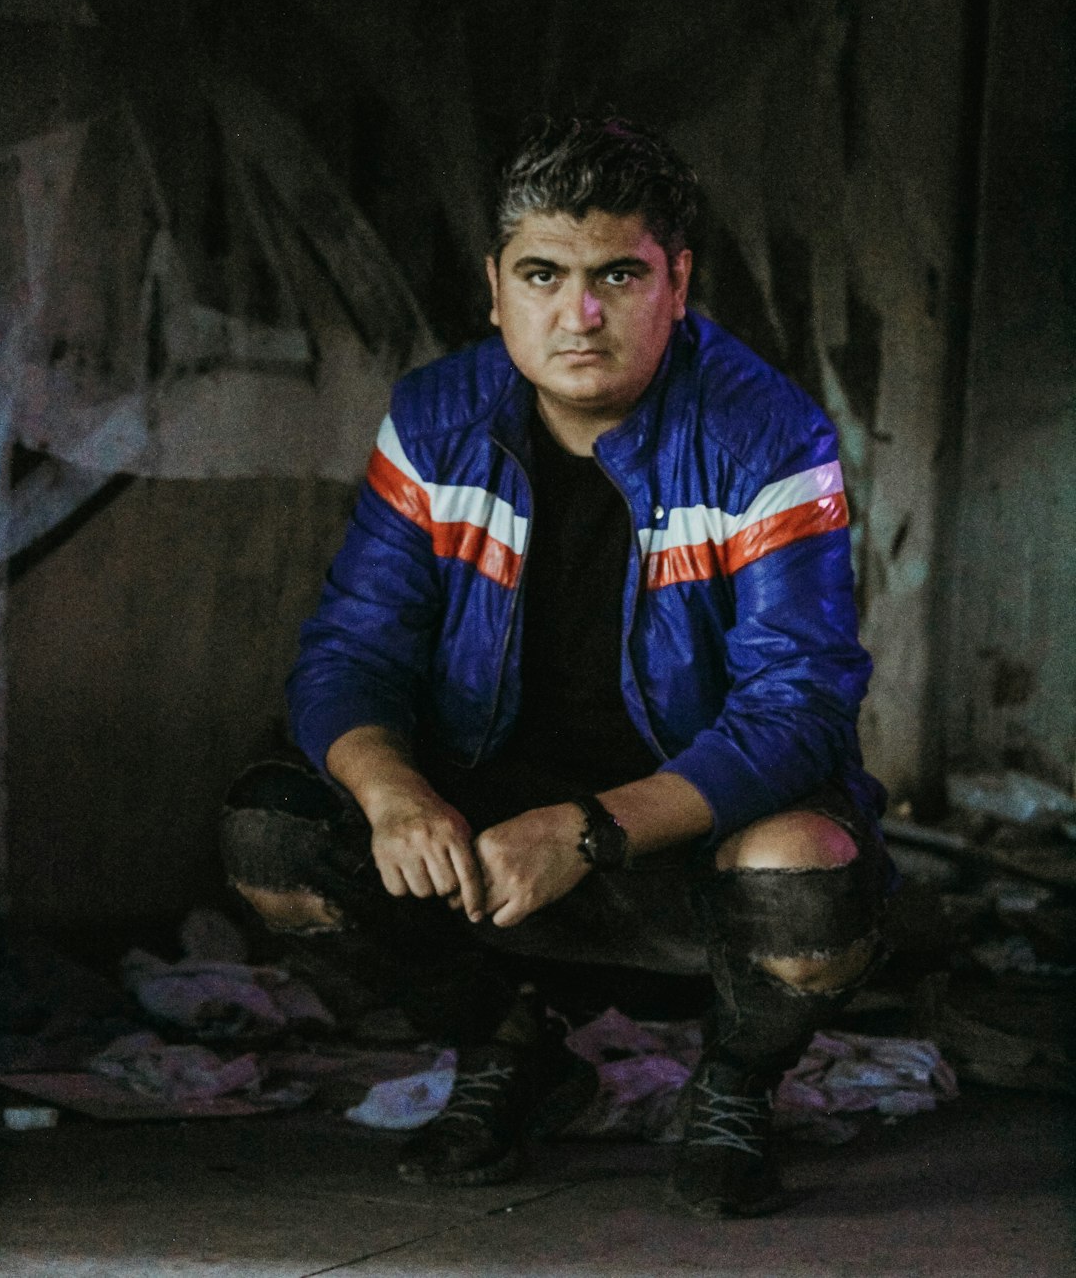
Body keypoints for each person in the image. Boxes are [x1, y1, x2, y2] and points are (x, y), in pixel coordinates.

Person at [221, 116, 890, 1218]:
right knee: (277, 837)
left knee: (805, 868)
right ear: (496, 287)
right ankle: (513, 1050)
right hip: (489, 818)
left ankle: (733, 1081)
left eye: (619, 275)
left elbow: (800, 708)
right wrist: (392, 798)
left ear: (678, 281)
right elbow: (351, 653)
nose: (578, 315)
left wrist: (587, 829)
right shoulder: (437, 420)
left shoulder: (770, 437)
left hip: (681, 823)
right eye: (543, 274)